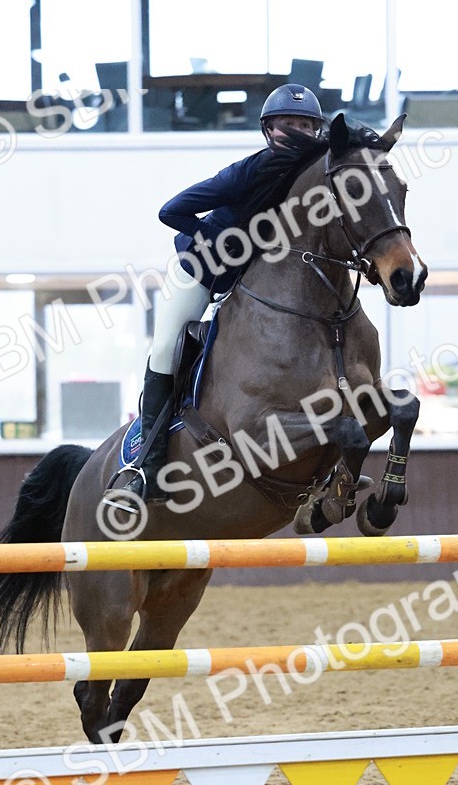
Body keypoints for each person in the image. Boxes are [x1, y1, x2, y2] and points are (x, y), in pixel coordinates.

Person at [106, 84, 326, 512]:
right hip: (200, 275)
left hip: (254, 289)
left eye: (305, 126)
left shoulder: (312, 179)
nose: (298, 133)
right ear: (268, 131)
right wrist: (227, 243)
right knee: (166, 351)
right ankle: (143, 470)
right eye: (288, 126)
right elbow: (172, 210)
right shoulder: (245, 172)